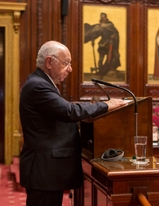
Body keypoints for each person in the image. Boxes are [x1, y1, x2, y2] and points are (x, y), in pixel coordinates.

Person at [19, 40, 127, 206]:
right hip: (44, 171)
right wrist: (106, 105)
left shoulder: (42, 84)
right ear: (49, 62)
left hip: (47, 170)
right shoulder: (38, 86)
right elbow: (69, 111)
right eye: (65, 63)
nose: (70, 69)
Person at [84, 12, 121, 78]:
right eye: (102, 17)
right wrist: (92, 39)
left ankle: (109, 69)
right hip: (103, 44)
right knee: (101, 59)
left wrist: (113, 36)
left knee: (114, 56)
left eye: (104, 17)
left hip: (110, 44)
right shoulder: (99, 26)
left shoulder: (110, 25)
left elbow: (115, 32)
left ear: (106, 18)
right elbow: (95, 34)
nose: (103, 19)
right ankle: (100, 72)